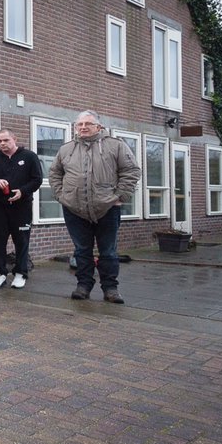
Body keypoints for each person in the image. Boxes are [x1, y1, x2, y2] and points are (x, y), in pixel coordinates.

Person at [49, 110, 141, 303]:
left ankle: (110, 289)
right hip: (74, 209)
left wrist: (121, 196)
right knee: (82, 250)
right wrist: (61, 195)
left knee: (108, 251)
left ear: (98, 127)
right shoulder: (66, 149)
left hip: (107, 208)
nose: (83, 127)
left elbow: (131, 171)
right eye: (79, 124)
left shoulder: (115, 146)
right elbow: (55, 173)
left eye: (87, 124)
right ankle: (83, 286)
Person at [0, 128, 44, 289]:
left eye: (6, 140)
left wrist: (23, 191)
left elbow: (37, 179)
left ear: (14, 138)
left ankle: (21, 273)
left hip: (22, 207)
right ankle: (0, 273)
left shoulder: (29, 157)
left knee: (21, 241)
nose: (2, 144)